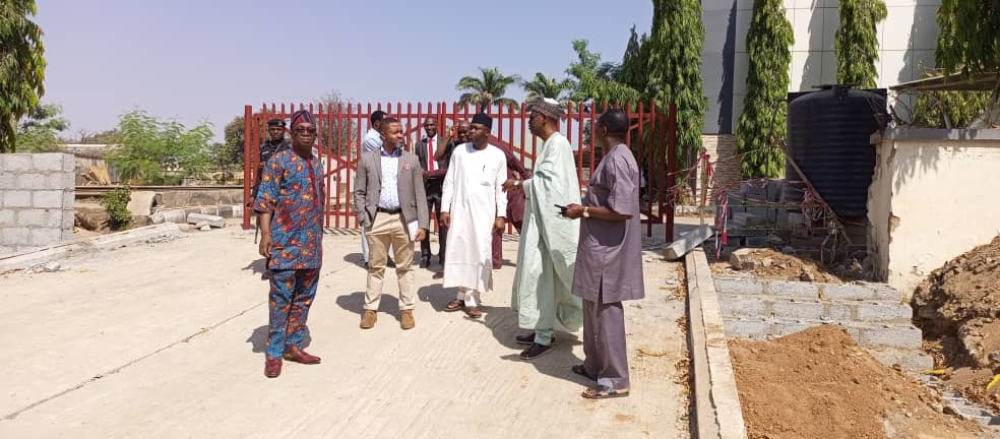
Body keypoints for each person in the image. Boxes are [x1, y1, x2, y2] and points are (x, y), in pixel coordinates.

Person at [563, 109, 644, 399]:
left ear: (606, 128)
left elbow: (621, 210)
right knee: (592, 308)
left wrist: (582, 210)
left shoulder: (620, 159)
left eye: (596, 126)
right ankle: (594, 365)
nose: (593, 130)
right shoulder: (612, 157)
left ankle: (615, 379)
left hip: (608, 253)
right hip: (597, 247)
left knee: (607, 312)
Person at [505, 98, 583, 360]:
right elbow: (544, 182)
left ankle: (544, 335)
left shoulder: (558, 145)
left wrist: (521, 185)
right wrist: (526, 184)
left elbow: (552, 188)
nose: (529, 121)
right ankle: (541, 326)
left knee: (542, 276)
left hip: (552, 227)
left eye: (533, 116)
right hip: (541, 224)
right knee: (539, 276)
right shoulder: (551, 145)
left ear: (544, 118)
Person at [253, 109, 325, 378]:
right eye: (300, 130)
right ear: (291, 133)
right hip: (284, 244)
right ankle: (274, 352)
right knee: (281, 299)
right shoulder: (278, 161)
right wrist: (265, 234)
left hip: (311, 245)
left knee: (304, 298)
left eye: (310, 130)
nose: (306, 134)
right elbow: (265, 200)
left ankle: (293, 346)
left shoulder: (316, 163)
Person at [353, 117, 429, 330]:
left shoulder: (411, 160)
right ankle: (370, 309)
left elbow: (420, 194)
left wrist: (422, 224)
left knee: (405, 267)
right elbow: (358, 191)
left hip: (404, 221)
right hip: (377, 219)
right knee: (376, 267)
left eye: (401, 132)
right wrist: (364, 217)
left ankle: (406, 310)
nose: (400, 135)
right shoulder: (368, 159)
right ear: (383, 135)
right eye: (395, 132)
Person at [439, 113, 508, 319]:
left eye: (475, 128)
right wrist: (445, 208)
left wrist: (501, 215)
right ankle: (461, 294)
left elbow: (501, 188)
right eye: (470, 128)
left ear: (487, 132)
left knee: (479, 253)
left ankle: (472, 299)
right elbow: (449, 181)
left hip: (483, 214)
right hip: (459, 212)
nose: (470, 131)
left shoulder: (497, 155)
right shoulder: (460, 152)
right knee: (459, 251)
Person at [251, 118, 291, 280]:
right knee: (267, 230)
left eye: (278, 129)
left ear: (283, 131)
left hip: (284, 194)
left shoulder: (289, 148)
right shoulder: (264, 148)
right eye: (272, 129)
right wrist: (254, 194)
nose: (275, 132)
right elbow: (259, 175)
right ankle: (270, 266)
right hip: (266, 194)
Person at [491, 141, 531, 269]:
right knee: (496, 227)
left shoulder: (495, 146)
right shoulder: (468, 150)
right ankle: (495, 260)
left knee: (523, 227)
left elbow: (514, 161)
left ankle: (534, 259)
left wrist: (525, 177)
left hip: (512, 194)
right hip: (495, 195)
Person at [414, 116, 446, 268]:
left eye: (432, 124)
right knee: (424, 223)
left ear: (437, 125)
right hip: (425, 188)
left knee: (442, 224)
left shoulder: (445, 142)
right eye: (426, 125)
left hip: (441, 187)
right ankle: (425, 255)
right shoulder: (419, 145)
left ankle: (443, 255)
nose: (429, 127)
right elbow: (418, 163)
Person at [360, 110, 391, 268]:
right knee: (369, 221)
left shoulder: (379, 137)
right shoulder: (370, 139)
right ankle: (368, 258)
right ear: (377, 123)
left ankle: (386, 255)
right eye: (386, 122)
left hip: (383, 183)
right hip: (371, 184)